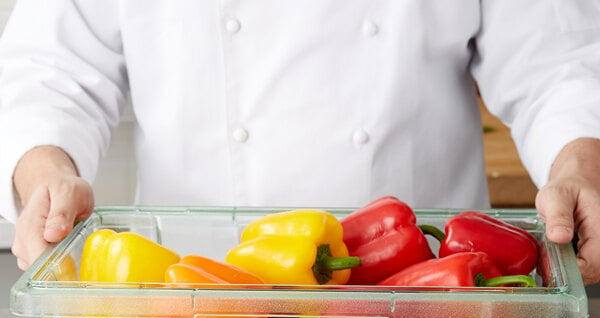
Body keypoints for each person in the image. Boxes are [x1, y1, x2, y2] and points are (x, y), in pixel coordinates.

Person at [1, 1, 600, 284]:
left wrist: (581, 170)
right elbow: (49, 68)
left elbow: (559, 61)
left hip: (430, 314)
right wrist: (45, 174)